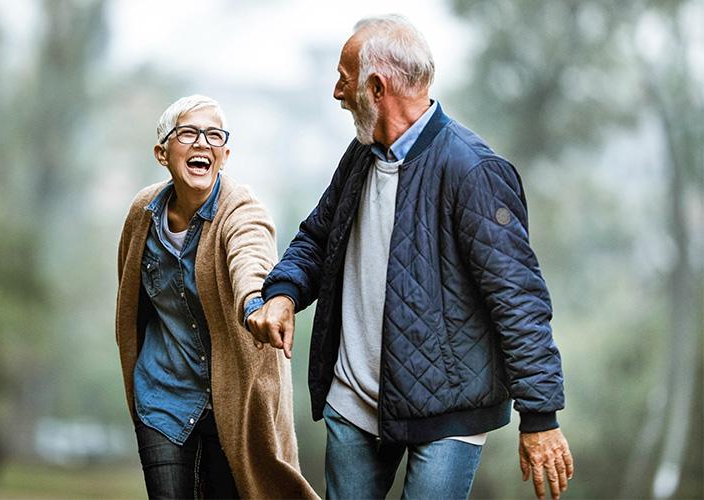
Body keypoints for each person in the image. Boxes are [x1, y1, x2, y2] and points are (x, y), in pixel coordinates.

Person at [247, 15, 573, 500]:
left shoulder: (473, 170)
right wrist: (283, 293)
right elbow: (318, 237)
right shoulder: (360, 155)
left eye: (344, 77)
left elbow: (518, 300)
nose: (337, 92)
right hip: (353, 403)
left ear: (376, 87)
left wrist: (540, 417)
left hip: (448, 412)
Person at [115, 95, 318, 499]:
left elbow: (251, 258)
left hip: (232, 402)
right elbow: (130, 297)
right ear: (162, 152)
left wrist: (256, 305)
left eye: (213, 136)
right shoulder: (143, 214)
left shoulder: (241, 209)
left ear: (224, 154)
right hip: (162, 394)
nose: (202, 143)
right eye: (188, 133)